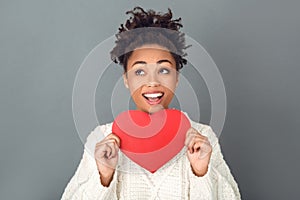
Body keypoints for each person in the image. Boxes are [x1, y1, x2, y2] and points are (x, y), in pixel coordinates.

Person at [62, 7, 241, 200]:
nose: (153, 82)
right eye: (139, 72)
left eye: (164, 70)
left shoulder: (203, 138)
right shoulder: (101, 139)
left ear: (177, 78)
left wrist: (201, 173)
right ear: (126, 80)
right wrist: (104, 177)